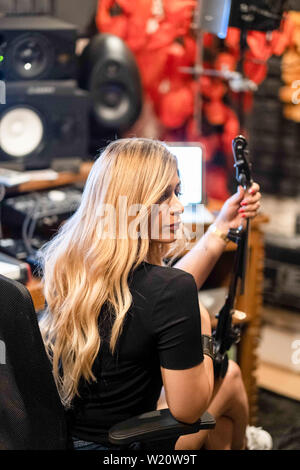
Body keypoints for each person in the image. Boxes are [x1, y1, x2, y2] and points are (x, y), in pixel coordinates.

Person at [39, 137, 265, 451]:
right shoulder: (169, 290)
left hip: (70, 440)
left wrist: (219, 228)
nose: (178, 206)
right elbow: (188, 411)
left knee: (221, 431)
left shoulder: (70, 265)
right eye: (163, 197)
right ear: (129, 206)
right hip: (127, 448)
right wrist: (200, 328)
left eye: (177, 191)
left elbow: (156, 297)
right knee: (231, 376)